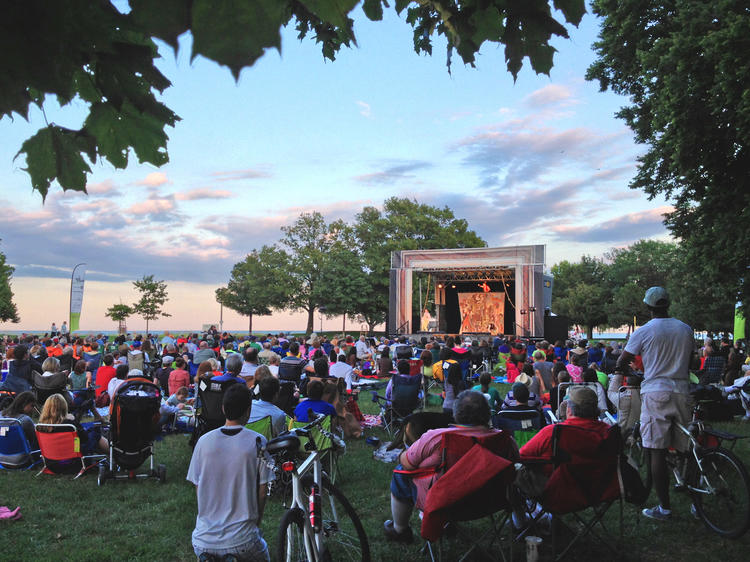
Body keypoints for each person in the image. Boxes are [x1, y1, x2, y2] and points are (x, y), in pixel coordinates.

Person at [383, 390, 514, 543]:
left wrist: (401, 454)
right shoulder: (504, 439)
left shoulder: (437, 437)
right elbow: (515, 463)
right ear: (487, 413)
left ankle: (400, 530)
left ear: (456, 413)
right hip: (491, 502)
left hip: (445, 504)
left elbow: (407, 463)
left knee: (400, 473)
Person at [616, 286, 694, 522]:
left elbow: (623, 359)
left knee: (656, 450)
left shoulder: (645, 330)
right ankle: (696, 502)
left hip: (655, 392)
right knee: (688, 450)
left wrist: (622, 369)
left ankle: (664, 508)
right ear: (667, 304)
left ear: (648, 307)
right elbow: (690, 360)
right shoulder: (685, 328)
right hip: (682, 389)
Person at [187, 383, 273, 561]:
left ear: (223, 409)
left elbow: (197, 485)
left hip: (203, 540)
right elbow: (263, 491)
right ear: (248, 411)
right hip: (243, 541)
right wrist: (255, 523)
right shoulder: (257, 441)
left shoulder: (203, 442)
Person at [38, 393, 108, 454]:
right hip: (74, 455)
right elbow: (84, 438)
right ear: (64, 407)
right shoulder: (68, 425)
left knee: (90, 433)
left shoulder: (41, 426)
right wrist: (74, 421)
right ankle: (113, 454)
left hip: (52, 459)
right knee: (95, 433)